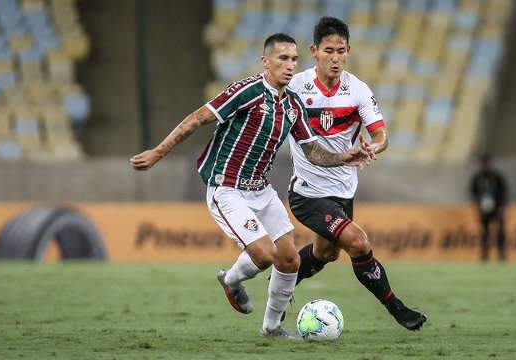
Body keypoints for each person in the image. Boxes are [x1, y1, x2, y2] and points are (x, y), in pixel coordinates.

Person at [130, 33, 373, 339]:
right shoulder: (247, 91)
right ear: (266, 62)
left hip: (260, 188)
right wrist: (158, 152)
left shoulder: (293, 104)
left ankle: (271, 328)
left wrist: (345, 156)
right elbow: (198, 118)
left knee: (290, 258)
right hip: (226, 187)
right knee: (263, 254)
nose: (290, 65)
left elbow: (313, 152)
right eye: (283, 58)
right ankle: (231, 281)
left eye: (294, 59)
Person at [285, 17, 427, 331]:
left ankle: (281, 283)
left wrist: (374, 146)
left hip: (343, 191)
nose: (335, 58)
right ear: (314, 51)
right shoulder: (295, 87)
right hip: (308, 193)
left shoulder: (357, 89)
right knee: (358, 243)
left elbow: (382, 135)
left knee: (325, 253)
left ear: (348, 51)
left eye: (341, 51)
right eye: (328, 51)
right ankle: (398, 309)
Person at [468, 154, 509, 261]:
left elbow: (504, 193)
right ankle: (484, 254)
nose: (485, 166)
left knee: (500, 231)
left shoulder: (497, 177)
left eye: (487, 163)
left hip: (497, 208)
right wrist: (478, 204)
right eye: (483, 163)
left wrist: (502, 207)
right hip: (484, 209)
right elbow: (472, 192)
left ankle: (501, 254)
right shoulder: (477, 177)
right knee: (485, 232)